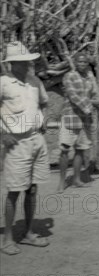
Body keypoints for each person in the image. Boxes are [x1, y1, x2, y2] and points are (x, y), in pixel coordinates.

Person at [0, 42, 50, 255]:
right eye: (22, 61)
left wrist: (42, 120)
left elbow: (44, 103)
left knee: (32, 188)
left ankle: (28, 233)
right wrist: (3, 134)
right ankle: (8, 239)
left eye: (28, 60)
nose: (27, 64)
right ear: (11, 64)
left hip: (36, 140)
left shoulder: (35, 82)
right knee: (14, 191)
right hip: (16, 142)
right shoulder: (3, 83)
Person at [57, 54, 99, 193]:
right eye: (80, 61)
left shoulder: (89, 79)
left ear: (88, 64)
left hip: (85, 120)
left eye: (85, 61)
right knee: (65, 150)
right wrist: (89, 107)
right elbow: (73, 96)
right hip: (70, 117)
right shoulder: (69, 76)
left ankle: (76, 179)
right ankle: (61, 182)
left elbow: (95, 95)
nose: (82, 63)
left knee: (80, 150)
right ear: (75, 62)